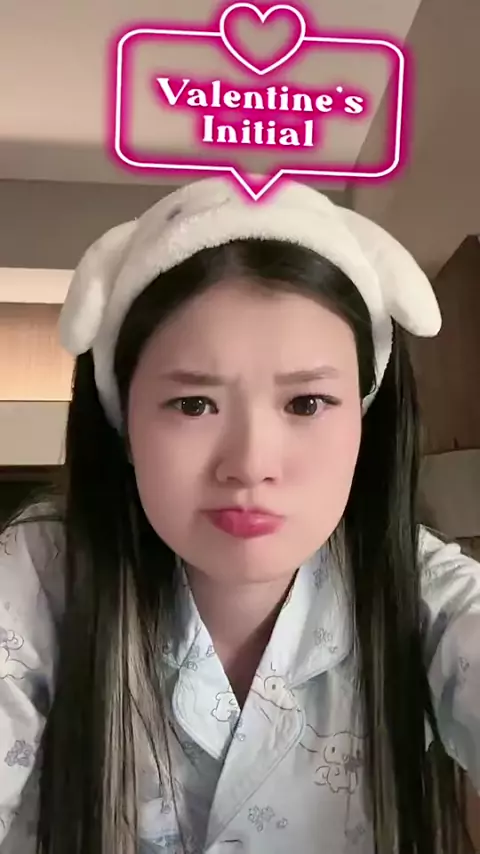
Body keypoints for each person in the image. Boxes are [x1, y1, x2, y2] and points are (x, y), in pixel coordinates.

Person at [0, 175, 478, 854]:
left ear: (364, 423)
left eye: (306, 403)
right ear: (123, 425)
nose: (251, 464)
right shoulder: (39, 578)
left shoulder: (421, 587)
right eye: (194, 405)